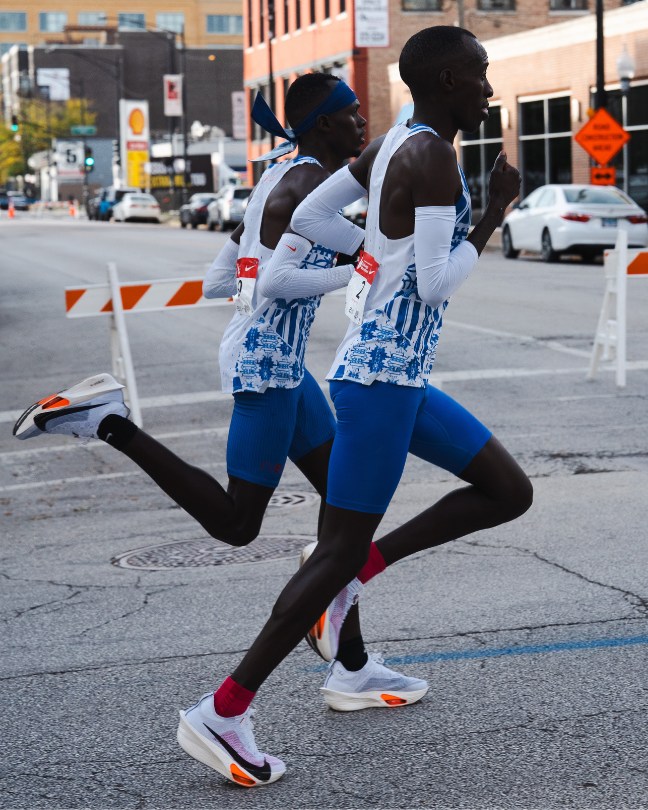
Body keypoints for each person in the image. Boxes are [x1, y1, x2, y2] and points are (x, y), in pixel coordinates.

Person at [13, 71, 422, 788]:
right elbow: (265, 284)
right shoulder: (301, 187)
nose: (364, 124)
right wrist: (355, 273)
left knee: (344, 520)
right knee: (238, 524)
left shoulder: (287, 174)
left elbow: (223, 276)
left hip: (284, 367)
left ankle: (351, 667)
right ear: (324, 125)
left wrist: (269, 288)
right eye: (353, 116)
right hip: (267, 368)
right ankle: (108, 421)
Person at [170, 25, 534, 788]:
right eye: (479, 76)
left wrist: (375, 248)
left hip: (396, 377)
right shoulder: (429, 152)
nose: (489, 90)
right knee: (332, 548)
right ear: (442, 80)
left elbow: (309, 222)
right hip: (379, 385)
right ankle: (224, 708)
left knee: (508, 491)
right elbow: (434, 284)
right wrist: (493, 212)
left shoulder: (395, 140)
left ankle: (354, 596)